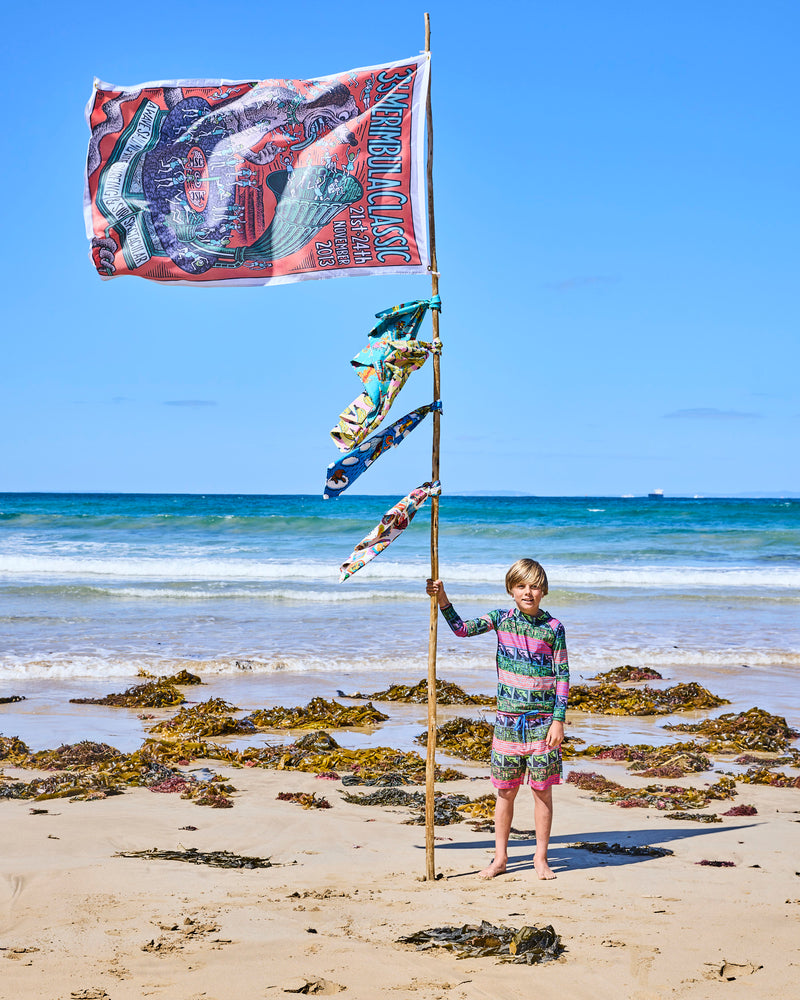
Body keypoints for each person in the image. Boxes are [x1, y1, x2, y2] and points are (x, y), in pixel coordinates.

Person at [426, 558, 569, 880]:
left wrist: (558, 721)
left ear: (543, 590)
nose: (528, 592)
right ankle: (500, 858)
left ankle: (540, 857)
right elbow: (461, 630)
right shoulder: (501, 620)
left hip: (543, 724)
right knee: (505, 791)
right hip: (507, 723)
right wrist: (442, 599)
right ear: (511, 589)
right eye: (521, 586)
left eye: (534, 586)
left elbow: (563, 676)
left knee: (542, 790)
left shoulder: (554, 628)